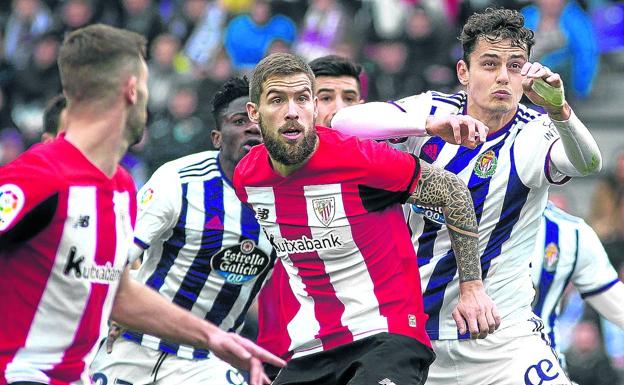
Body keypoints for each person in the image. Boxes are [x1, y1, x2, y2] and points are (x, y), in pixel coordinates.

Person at [0, 24, 283, 385]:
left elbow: (116, 290)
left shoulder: (119, 187)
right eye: (147, 85)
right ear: (132, 91)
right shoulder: (37, 178)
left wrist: (211, 335)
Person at [332, 8, 602, 384]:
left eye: (515, 65)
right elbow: (342, 124)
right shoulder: (433, 110)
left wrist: (559, 109)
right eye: (489, 64)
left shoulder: (535, 132)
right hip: (413, 338)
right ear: (464, 72)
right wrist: (424, 124)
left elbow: (586, 163)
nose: (503, 77)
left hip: (504, 340)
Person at [234, 52, 495, 385]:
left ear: (313, 107)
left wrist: (472, 287)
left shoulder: (357, 158)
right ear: (254, 113)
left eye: (301, 99)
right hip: (311, 348)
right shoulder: (249, 178)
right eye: (277, 100)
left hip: (387, 337)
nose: (291, 112)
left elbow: (451, 190)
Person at [89, 76, 276, 385]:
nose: (253, 128)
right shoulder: (178, 180)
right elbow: (116, 261)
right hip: (136, 346)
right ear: (217, 137)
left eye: (260, 120)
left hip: (207, 361)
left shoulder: (287, 199)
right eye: (240, 120)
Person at [531, 201, 624, 366]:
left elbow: (618, 304)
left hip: (542, 365)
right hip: (474, 360)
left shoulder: (572, 234)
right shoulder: (474, 223)